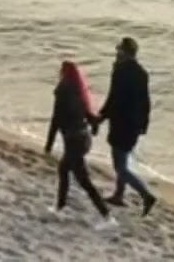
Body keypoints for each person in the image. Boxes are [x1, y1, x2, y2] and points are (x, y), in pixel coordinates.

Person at [44, 60, 115, 229]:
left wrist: (49, 144)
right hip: (83, 140)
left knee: (84, 181)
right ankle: (59, 207)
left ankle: (107, 217)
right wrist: (97, 124)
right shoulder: (79, 92)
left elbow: (56, 119)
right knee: (64, 170)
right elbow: (91, 118)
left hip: (74, 142)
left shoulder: (62, 91)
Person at [94, 36, 157, 215]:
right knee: (123, 160)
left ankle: (146, 195)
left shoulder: (120, 71)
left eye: (119, 50)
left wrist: (101, 117)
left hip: (122, 123)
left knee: (120, 166)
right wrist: (144, 124)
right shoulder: (142, 73)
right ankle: (119, 195)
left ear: (124, 52)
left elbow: (114, 98)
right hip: (135, 125)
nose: (116, 53)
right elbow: (146, 102)